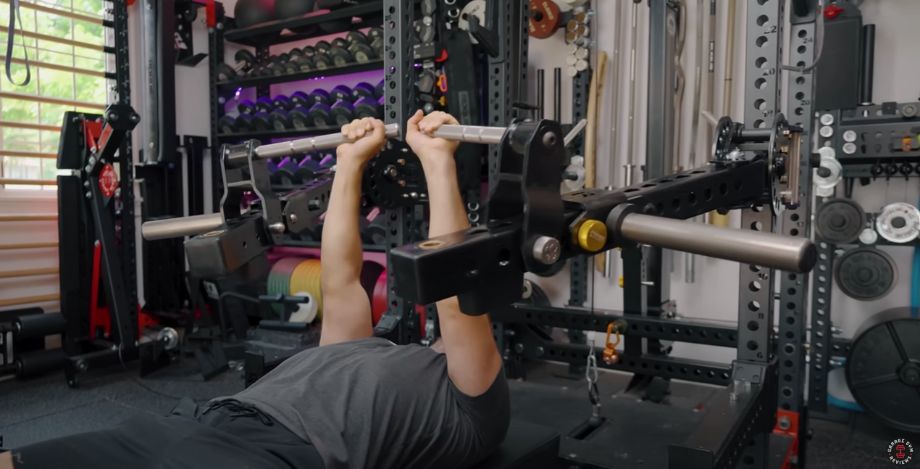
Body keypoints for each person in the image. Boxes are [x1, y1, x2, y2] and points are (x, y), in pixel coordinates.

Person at [1, 111, 509, 469]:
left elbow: (455, 295)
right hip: (200, 420)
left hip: (265, 454)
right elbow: (339, 274)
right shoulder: (361, 346)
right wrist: (350, 163)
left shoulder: (472, 409)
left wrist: (438, 162)